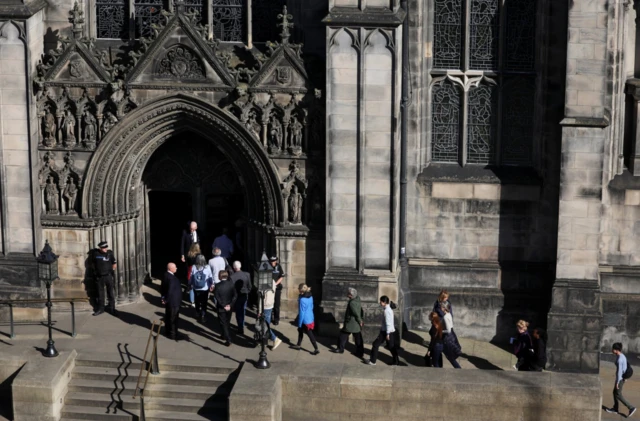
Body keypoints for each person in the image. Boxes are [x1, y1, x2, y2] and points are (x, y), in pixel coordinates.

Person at [605, 343, 636, 417]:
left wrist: (617, 382)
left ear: (616, 350)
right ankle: (615, 408)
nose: (612, 350)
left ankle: (631, 407)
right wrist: (625, 377)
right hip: (623, 377)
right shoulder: (622, 356)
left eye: (613, 349)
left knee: (618, 394)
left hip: (620, 379)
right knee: (614, 392)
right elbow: (625, 368)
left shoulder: (619, 359)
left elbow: (619, 372)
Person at [366, 296, 399, 366]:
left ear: (384, 302)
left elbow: (388, 323)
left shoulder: (387, 311)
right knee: (391, 346)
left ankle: (373, 361)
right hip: (389, 331)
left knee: (375, 344)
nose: (380, 303)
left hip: (386, 331)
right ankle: (396, 360)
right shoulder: (388, 309)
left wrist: (387, 334)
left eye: (381, 301)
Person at [334, 287, 364, 357]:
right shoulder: (357, 299)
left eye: (348, 293)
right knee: (358, 338)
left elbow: (356, 313)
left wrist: (360, 320)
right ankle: (360, 352)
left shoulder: (352, 303)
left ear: (351, 295)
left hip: (351, 323)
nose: (347, 294)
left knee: (342, 335)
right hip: (355, 323)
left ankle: (340, 349)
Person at [292, 284, 319, 355]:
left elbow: (302, 312)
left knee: (309, 333)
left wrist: (300, 323)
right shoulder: (310, 297)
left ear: (301, 290)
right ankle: (298, 344)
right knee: (300, 331)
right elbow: (311, 307)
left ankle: (316, 348)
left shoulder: (302, 300)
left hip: (305, 320)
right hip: (310, 317)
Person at [92, 241, 117, 316]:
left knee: (110, 293)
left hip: (108, 276)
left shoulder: (110, 254)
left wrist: (112, 271)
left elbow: (114, 263)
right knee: (100, 293)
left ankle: (112, 308)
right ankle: (101, 309)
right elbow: (93, 264)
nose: (105, 249)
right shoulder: (96, 254)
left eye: (106, 247)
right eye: (103, 248)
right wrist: (95, 273)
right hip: (100, 277)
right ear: (100, 248)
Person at [213, 271, 237, 347]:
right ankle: (223, 335)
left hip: (221, 308)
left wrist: (223, 305)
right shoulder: (231, 284)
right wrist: (230, 305)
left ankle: (228, 339)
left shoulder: (217, 286)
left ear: (220, 276)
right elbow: (235, 295)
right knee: (227, 322)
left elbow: (217, 297)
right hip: (229, 307)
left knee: (223, 323)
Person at [161, 263, 182, 340]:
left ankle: (167, 331)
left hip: (169, 301)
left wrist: (163, 298)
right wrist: (166, 299)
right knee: (173, 319)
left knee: (168, 316)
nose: (176, 268)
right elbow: (170, 291)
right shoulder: (173, 279)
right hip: (173, 302)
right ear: (170, 269)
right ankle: (173, 334)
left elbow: (163, 288)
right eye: (175, 267)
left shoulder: (165, 275)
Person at [189, 254, 213, 322]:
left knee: (197, 300)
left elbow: (191, 277)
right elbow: (210, 276)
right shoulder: (207, 267)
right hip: (205, 288)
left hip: (196, 287)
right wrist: (212, 285)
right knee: (204, 302)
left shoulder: (194, 267)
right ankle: (203, 315)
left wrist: (190, 284)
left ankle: (197, 312)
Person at [230, 261, 251, 335]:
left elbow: (231, 289)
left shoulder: (232, 277)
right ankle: (241, 324)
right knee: (243, 310)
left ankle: (240, 326)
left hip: (237, 296)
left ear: (234, 267)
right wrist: (247, 292)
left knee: (238, 312)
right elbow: (250, 286)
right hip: (244, 295)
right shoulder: (247, 274)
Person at [262, 279, 282, 350]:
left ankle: (274, 339)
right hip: (270, 304)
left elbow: (262, 296)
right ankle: (265, 340)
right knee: (265, 324)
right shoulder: (273, 281)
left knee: (265, 325)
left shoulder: (264, 281)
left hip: (265, 306)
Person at [441, 304, 461, 368]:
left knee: (450, 357)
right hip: (452, 335)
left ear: (444, 308)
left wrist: (441, 331)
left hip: (448, 338)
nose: (440, 308)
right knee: (449, 355)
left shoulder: (445, 317)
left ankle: (459, 369)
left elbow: (448, 330)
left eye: (441, 307)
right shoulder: (449, 314)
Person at [270, 256, 285, 325]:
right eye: (271, 261)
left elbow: (281, 276)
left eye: (273, 261)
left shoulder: (278, 267)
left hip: (277, 288)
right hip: (269, 288)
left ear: (275, 261)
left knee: (276, 304)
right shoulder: (268, 266)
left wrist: (275, 284)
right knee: (269, 303)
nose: (272, 263)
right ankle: (269, 317)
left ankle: (276, 319)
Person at [185, 243, 200, 308]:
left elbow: (187, 264)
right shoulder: (199, 255)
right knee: (198, 286)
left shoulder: (189, 254)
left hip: (190, 270)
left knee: (191, 287)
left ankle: (192, 301)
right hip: (197, 270)